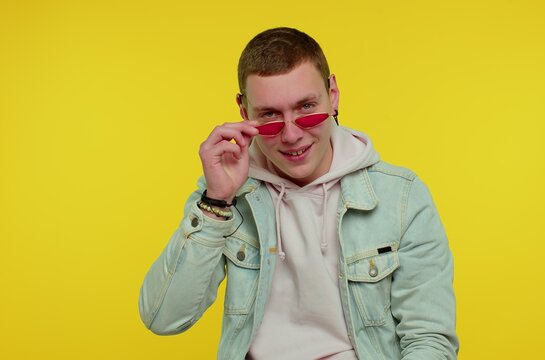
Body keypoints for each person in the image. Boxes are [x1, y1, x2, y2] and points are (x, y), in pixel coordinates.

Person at [139, 27, 458, 360]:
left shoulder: (400, 197)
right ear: (244, 112)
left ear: (332, 94)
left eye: (306, 108)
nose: (291, 135)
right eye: (270, 116)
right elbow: (163, 318)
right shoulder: (227, 193)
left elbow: (429, 340)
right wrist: (216, 202)